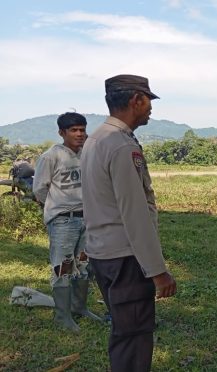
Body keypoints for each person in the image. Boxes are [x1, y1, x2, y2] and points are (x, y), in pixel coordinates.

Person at [81, 74, 176, 371]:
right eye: (148, 101)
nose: (151, 108)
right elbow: (134, 214)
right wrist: (158, 271)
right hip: (125, 259)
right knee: (133, 340)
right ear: (136, 100)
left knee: (124, 332)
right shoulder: (121, 146)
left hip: (102, 254)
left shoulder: (96, 139)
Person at [33, 112, 102, 332]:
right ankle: (62, 317)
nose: (79, 134)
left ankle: (79, 308)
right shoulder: (51, 156)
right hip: (63, 221)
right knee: (63, 267)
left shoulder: (87, 154)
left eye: (82, 129)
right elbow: (39, 189)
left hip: (86, 219)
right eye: (74, 130)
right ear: (62, 132)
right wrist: (57, 207)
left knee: (83, 264)